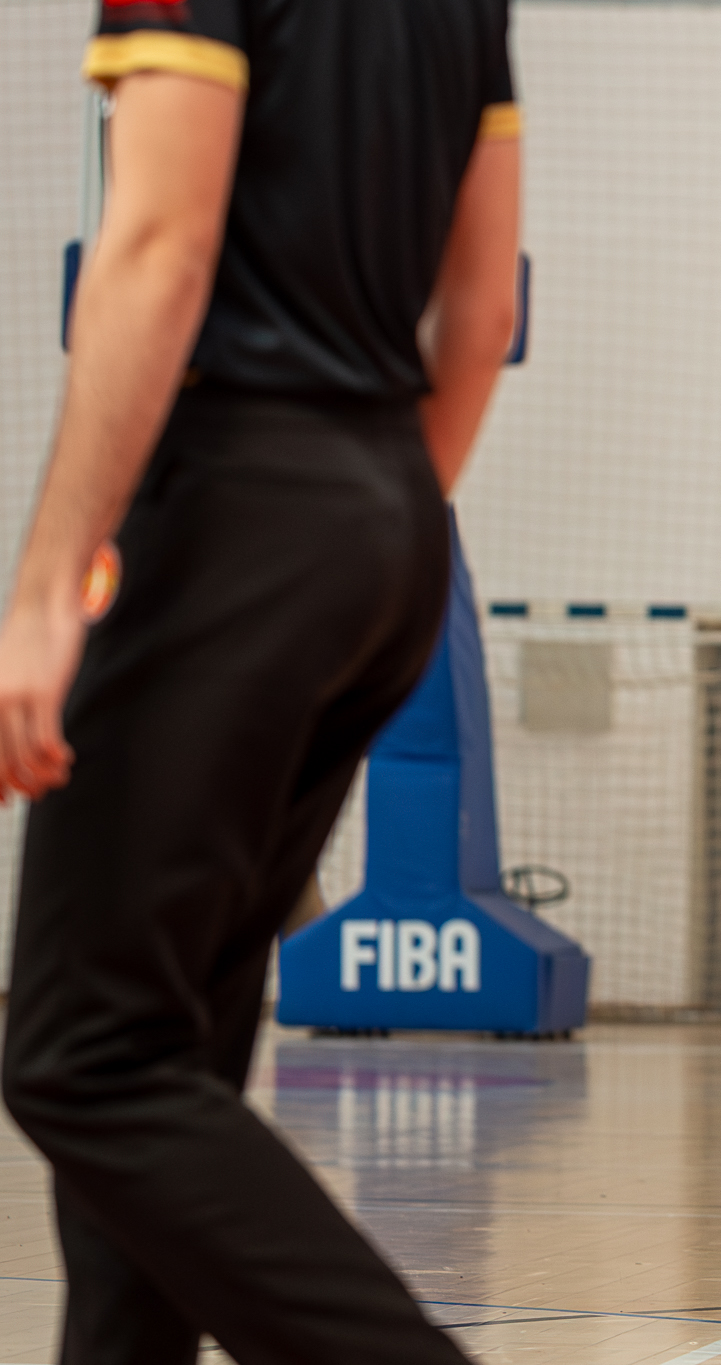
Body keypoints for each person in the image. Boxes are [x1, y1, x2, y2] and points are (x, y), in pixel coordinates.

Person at [0, 1, 521, 1359]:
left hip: (235, 506)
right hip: (387, 514)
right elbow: (482, 313)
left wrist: (49, 582)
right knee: (162, 1066)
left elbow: (159, 247)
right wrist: (363, 519)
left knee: (83, 1057)